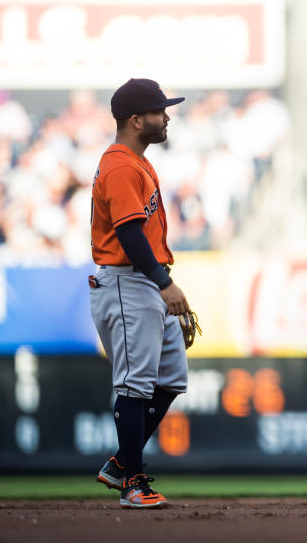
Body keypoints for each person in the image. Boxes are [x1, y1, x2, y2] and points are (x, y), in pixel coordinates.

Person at [88, 78, 191, 509]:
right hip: (127, 281)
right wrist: (164, 283)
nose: (166, 116)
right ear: (136, 120)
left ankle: (119, 462)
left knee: (171, 378)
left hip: (144, 279)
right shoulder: (121, 166)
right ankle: (133, 482)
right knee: (134, 385)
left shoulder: (136, 161)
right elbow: (129, 232)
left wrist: (160, 281)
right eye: (159, 111)